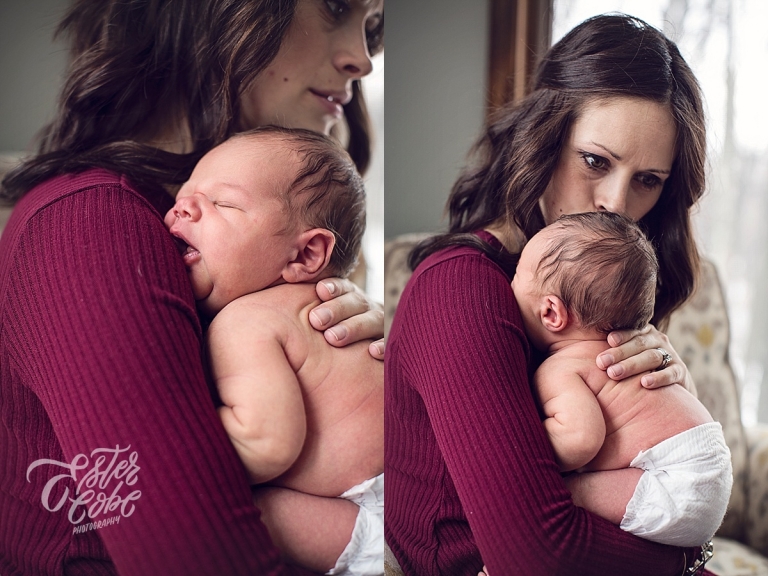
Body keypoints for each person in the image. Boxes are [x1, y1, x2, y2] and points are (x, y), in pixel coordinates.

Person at [0, 0, 384, 574]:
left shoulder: (238, 248)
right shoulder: (90, 224)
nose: (364, 60)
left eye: (372, 28)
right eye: (334, 7)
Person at [385, 13, 718, 576]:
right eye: (595, 161)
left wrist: (668, 408)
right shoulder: (460, 288)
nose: (615, 202)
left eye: (648, 180)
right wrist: (686, 549)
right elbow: (535, 554)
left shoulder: (598, 291)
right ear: (545, 139)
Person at [164, 126, 383, 575]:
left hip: (379, 512)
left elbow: (264, 444)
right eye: (184, 196)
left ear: (304, 256)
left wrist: (161, 431)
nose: (182, 207)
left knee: (250, 510)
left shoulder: (247, 320)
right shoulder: (319, 306)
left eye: (222, 203)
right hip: (415, 481)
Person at [510, 211, 731, 547]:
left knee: (561, 499)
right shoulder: (634, 351)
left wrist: (514, 445)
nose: (508, 286)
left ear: (551, 313)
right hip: (709, 463)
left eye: (515, 276)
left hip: (675, 480)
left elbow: (581, 439)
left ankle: (509, 559)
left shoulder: (561, 368)